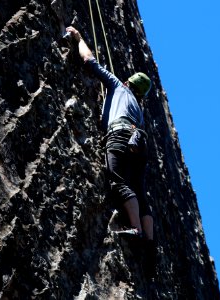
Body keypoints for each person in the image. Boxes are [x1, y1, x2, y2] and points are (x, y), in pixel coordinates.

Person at [66, 26, 154, 242]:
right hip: (139, 144)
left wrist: (79, 38)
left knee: (118, 180)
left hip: (120, 136)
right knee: (140, 194)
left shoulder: (119, 87)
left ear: (128, 82)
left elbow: (89, 61)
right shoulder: (139, 111)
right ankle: (150, 244)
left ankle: (136, 229)